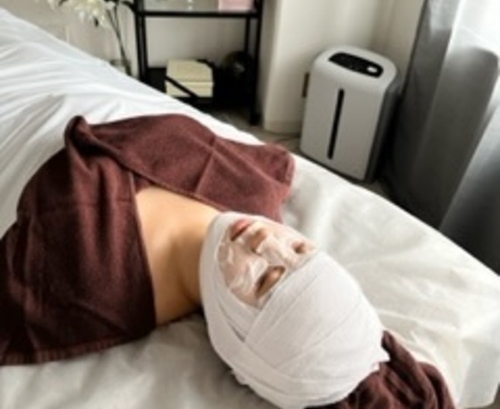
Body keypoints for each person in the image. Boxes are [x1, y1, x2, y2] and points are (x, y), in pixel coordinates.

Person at [0, 113, 455, 408]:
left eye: (267, 280)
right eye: (300, 250)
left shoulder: (91, 286)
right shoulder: (256, 190)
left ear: (240, 346)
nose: (267, 241)